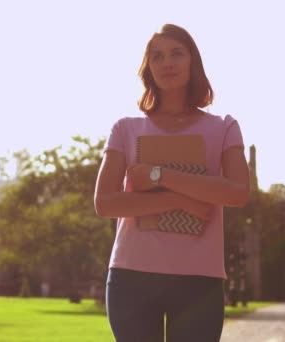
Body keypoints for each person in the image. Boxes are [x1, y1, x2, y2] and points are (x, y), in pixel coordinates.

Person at [94, 24, 250, 342]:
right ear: (148, 68)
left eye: (177, 53)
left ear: (193, 61)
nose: (167, 63)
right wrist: (182, 200)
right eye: (157, 56)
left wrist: (159, 175)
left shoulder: (224, 127)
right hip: (131, 278)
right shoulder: (125, 128)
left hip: (199, 281)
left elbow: (237, 193)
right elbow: (105, 203)